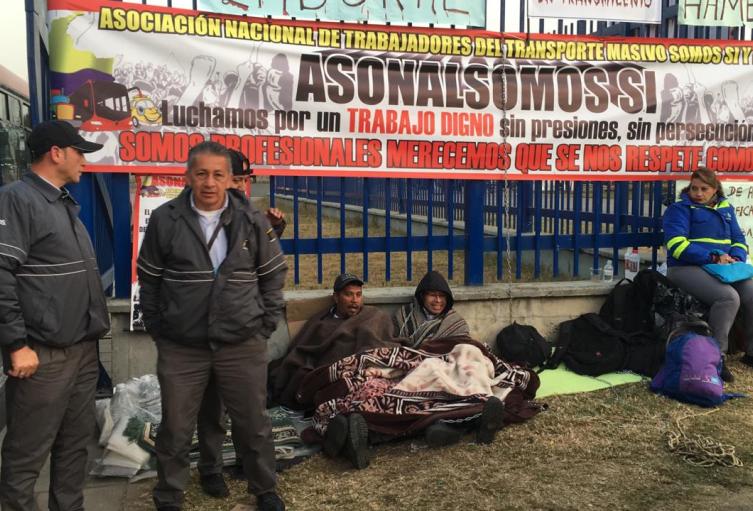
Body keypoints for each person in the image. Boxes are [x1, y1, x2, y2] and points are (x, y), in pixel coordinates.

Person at [137, 141, 287, 511]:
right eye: (201, 173)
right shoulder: (165, 219)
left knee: (252, 423)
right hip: (182, 346)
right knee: (175, 426)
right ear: (188, 176)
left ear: (231, 179)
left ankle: (264, 489)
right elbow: (150, 279)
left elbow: (272, 277)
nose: (209, 182)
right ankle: (170, 495)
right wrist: (161, 328)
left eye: (218, 174)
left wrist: (263, 326)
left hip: (242, 343)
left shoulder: (252, 220)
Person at [0, 120, 110, 510]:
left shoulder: (62, 202)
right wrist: (16, 345)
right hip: (42, 356)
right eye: (79, 152)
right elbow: (1, 274)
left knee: (74, 447)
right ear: (56, 153)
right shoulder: (17, 199)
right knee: (26, 453)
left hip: (81, 351)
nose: (85, 161)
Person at [195, 148, 286, 489]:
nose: (245, 185)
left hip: (244, 333)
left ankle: (259, 481)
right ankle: (211, 469)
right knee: (210, 408)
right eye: (240, 178)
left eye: (246, 179)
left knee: (251, 414)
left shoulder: (253, 219)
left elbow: (269, 271)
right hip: (201, 332)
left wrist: (274, 229)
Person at [663, 167, 753, 382]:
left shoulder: (726, 210)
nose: (698, 193)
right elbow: (676, 246)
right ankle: (716, 357)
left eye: (704, 189)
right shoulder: (679, 209)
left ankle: (751, 353)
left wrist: (736, 258)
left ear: (715, 189)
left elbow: (739, 241)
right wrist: (713, 257)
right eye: (694, 188)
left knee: (751, 292)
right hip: (685, 269)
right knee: (728, 297)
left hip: (723, 268)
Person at [270, 273, 401, 409]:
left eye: (358, 294)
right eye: (348, 294)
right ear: (336, 297)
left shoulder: (373, 315)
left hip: (369, 372)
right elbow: (304, 351)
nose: (354, 300)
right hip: (338, 376)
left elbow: (385, 344)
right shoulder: (321, 322)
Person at [393, 270, 470, 347]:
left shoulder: (455, 322)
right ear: (422, 296)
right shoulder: (404, 315)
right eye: (433, 295)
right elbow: (393, 341)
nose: (438, 300)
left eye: (442, 296)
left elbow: (464, 347)